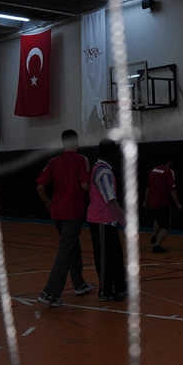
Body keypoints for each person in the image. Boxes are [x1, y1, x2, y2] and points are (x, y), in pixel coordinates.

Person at [35, 130, 95, 307]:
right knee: (65, 252)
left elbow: (40, 187)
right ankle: (50, 293)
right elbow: (85, 185)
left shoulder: (54, 161)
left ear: (63, 143)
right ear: (76, 141)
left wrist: (48, 203)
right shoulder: (81, 160)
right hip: (72, 212)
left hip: (57, 213)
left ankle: (79, 283)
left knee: (73, 247)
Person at [87, 138, 128, 302]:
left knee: (116, 256)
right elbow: (110, 200)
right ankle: (105, 291)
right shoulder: (103, 172)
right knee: (105, 258)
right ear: (111, 152)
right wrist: (125, 221)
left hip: (107, 221)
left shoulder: (101, 169)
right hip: (101, 221)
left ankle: (120, 286)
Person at [143, 157, 182, 254]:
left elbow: (148, 188)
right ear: (169, 161)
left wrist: (145, 201)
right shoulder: (168, 172)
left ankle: (154, 236)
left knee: (159, 218)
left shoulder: (153, 171)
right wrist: (177, 203)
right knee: (166, 226)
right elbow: (172, 189)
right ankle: (156, 246)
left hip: (152, 201)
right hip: (162, 202)